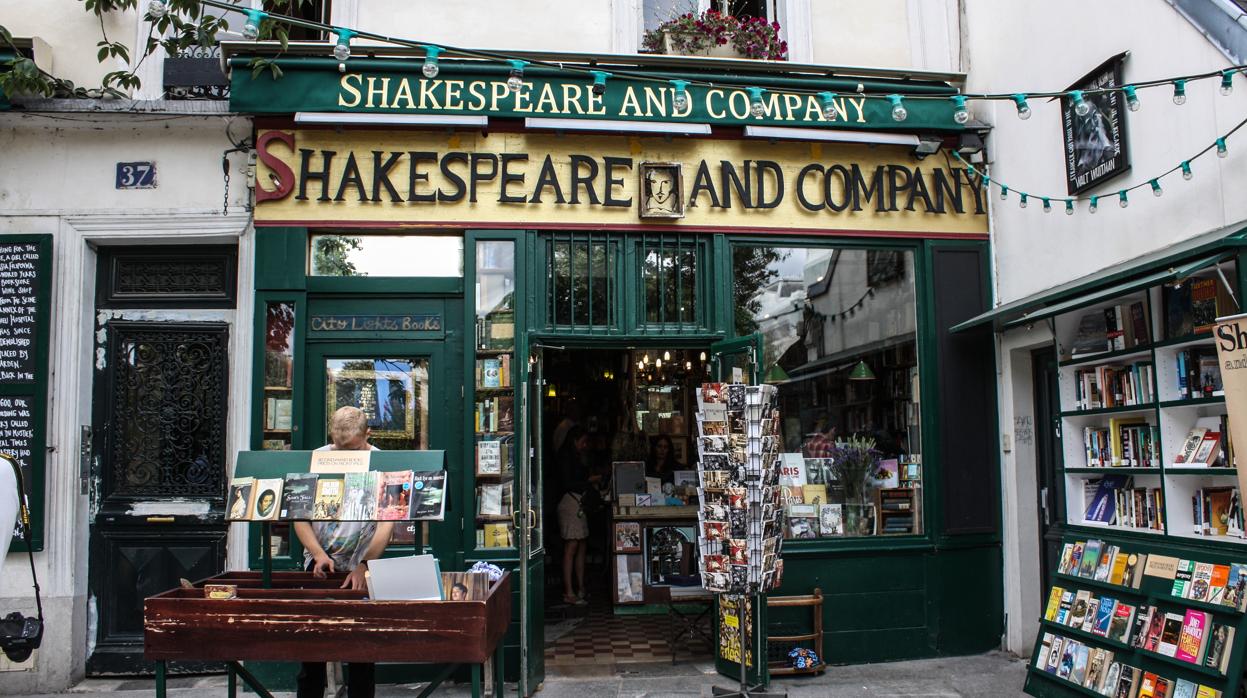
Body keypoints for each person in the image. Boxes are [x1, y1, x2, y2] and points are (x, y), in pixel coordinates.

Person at [292, 406, 391, 698]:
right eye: (339, 446)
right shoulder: (317, 459)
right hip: (320, 565)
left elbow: (386, 525)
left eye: (353, 448)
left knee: (361, 653)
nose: (345, 453)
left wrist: (365, 565)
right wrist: (317, 554)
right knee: (312, 651)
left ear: (367, 435)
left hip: (362, 567)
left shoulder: (381, 463)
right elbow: (300, 515)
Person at [555, 426, 599, 606]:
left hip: (578, 502)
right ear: (574, 440)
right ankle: (569, 591)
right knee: (572, 545)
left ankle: (580, 588)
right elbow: (567, 482)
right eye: (583, 441)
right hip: (571, 503)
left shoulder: (575, 457)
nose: (585, 445)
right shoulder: (566, 458)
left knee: (580, 544)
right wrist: (589, 481)